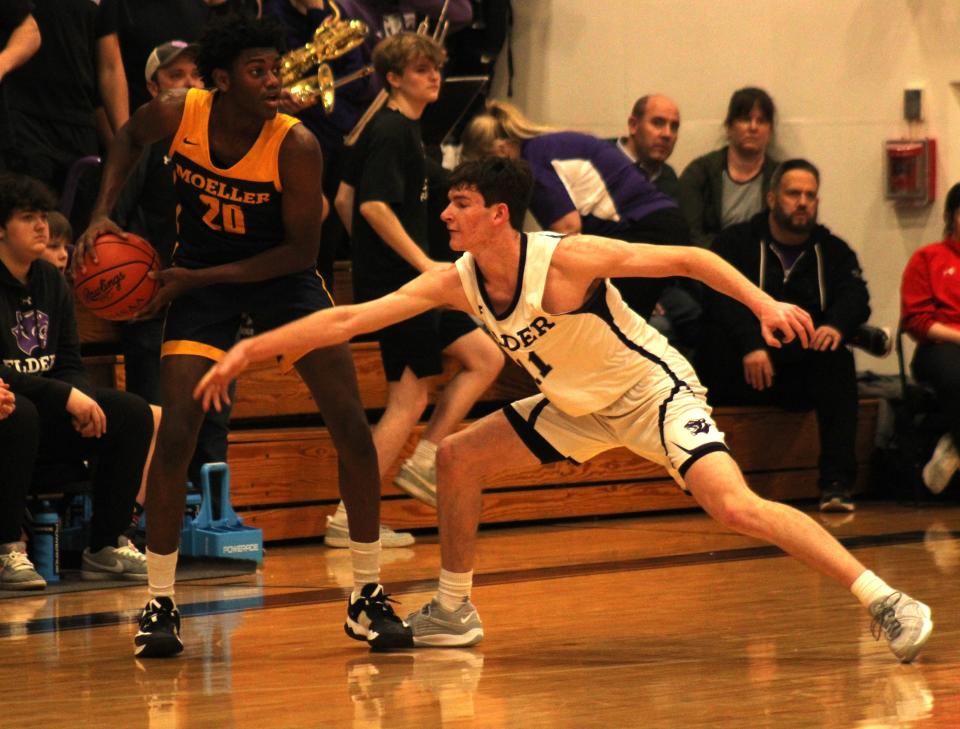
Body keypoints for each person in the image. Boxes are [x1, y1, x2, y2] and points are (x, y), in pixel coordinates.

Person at [196, 157, 933, 663]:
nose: (446, 211)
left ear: (497, 213)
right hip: (574, 405)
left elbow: (688, 259)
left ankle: (886, 598)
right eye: (446, 200)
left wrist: (766, 301)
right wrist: (248, 352)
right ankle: (454, 608)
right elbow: (347, 320)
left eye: (459, 203)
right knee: (457, 455)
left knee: (733, 506)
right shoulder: (460, 278)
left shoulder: (566, 259)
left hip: (651, 395)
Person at [75, 13, 409, 657]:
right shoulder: (179, 113)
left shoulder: (296, 145)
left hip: (279, 280)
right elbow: (125, 139)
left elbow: (298, 252)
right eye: (257, 71)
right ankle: (160, 602)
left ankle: (366, 595)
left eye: (276, 69)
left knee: (350, 426)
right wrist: (100, 217)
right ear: (221, 81)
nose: (273, 82)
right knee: (176, 434)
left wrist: (194, 280)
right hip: (201, 280)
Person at [329, 31, 503, 546]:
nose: (435, 76)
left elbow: (343, 198)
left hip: (412, 284)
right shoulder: (390, 130)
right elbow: (371, 207)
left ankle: (427, 458)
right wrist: (419, 262)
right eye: (422, 68)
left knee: (485, 356)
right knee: (406, 400)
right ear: (393, 78)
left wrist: (374, 260)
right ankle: (347, 518)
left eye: (436, 67)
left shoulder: (398, 131)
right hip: (408, 286)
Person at [0, 173, 153, 590]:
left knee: (130, 412)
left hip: (46, 410)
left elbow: (68, 359)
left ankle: (106, 545)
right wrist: (65, 394)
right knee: (19, 411)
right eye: (27, 218)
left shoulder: (50, 280)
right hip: (10, 415)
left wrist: (81, 398)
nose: (42, 227)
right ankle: (7, 549)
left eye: (43, 217)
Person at [697, 159, 870, 513]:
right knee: (709, 341)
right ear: (773, 198)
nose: (803, 201)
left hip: (800, 369)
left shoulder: (833, 250)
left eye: (810, 195)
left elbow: (856, 296)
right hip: (744, 365)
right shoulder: (736, 242)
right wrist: (751, 344)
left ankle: (836, 485)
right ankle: (704, 485)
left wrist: (835, 325)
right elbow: (714, 296)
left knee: (838, 358)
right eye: (794, 193)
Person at [461, 99, 688, 320]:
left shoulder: (530, 163)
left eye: (487, 170)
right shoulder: (546, 145)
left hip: (646, 228)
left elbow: (568, 229)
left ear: (501, 151)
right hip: (658, 224)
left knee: (610, 327)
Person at [901, 182, 960, 494]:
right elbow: (916, 321)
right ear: (951, 218)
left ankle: (953, 446)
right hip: (940, 347)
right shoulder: (928, 258)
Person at [679, 87, 779, 248]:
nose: (753, 127)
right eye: (745, 119)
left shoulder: (780, 178)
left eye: (761, 121)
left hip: (764, 266)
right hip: (709, 263)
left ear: (770, 130)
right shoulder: (699, 173)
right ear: (729, 127)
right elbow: (689, 234)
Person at [612, 94, 681, 199]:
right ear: (633, 125)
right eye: (658, 123)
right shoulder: (596, 162)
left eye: (674, 127)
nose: (667, 134)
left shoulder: (668, 178)